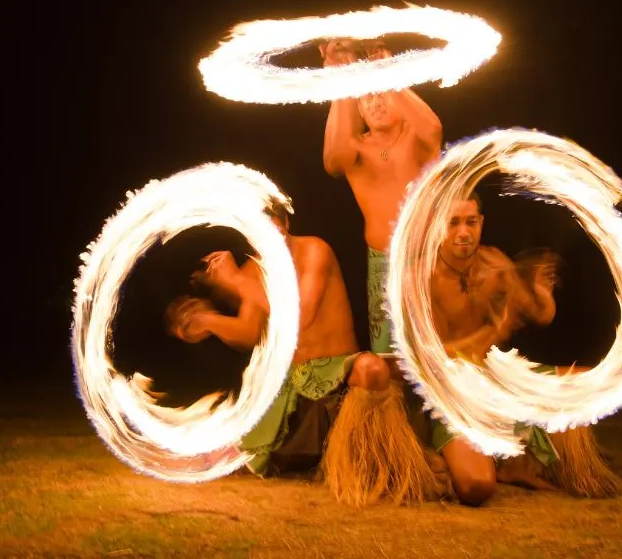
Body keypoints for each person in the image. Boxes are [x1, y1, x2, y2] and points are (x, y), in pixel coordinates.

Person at [165, 199, 444, 505]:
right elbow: (248, 335)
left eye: (272, 225)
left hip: (336, 377)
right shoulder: (253, 271)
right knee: (215, 453)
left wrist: (233, 281)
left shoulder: (315, 250)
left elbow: (301, 316)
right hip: (290, 390)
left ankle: (383, 462)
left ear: (285, 224)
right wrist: (207, 320)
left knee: (370, 369)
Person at [426, 191, 622, 503]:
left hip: (500, 383)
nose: (464, 232)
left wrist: (541, 292)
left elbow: (540, 314)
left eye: (471, 222)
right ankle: (451, 458)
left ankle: (514, 463)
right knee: (475, 488)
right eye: (453, 223)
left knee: (586, 381)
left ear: (481, 223)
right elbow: (435, 358)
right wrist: (494, 330)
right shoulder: (426, 276)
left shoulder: (494, 263)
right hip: (454, 396)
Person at [319, 39, 443, 355]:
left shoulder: (417, 136)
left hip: (425, 256)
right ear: (357, 107)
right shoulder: (356, 149)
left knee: (437, 352)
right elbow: (333, 160)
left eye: (382, 93)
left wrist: (388, 72)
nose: (375, 102)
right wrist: (342, 79)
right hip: (382, 262)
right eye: (367, 97)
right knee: (389, 357)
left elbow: (432, 127)